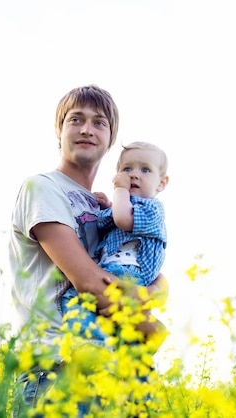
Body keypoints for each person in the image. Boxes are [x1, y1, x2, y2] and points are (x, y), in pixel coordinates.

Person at [8, 85, 168, 416]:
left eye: (99, 122)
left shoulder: (106, 208)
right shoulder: (43, 188)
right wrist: (152, 326)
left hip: (119, 367)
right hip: (58, 368)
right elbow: (90, 283)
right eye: (75, 119)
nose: (86, 129)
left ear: (111, 139)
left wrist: (158, 290)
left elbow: (149, 268)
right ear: (59, 129)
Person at [61, 141, 169, 346]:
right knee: (92, 311)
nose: (134, 175)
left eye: (145, 170)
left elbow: (123, 220)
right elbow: (114, 220)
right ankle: (99, 348)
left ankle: (98, 348)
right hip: (111, 271)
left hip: (130, 276)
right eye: (127, 169)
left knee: (81, 302)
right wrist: (108, 206)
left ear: (161, 183)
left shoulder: (154, 209)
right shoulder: (124, 205)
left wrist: (120, 189)